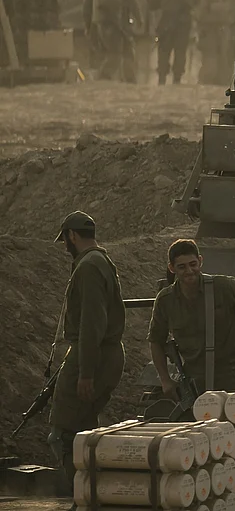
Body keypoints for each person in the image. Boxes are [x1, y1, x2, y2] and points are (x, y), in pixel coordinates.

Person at [49, 211, 126, 497]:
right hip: (103, 354)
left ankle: (82, 497)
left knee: (63, 434)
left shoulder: (90, 265)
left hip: (94, 355)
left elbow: (92, 323)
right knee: (84, 432)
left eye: (66, 239)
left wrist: (85, 372)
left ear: (71, 235)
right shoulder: (99, 260)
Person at [148, 239, 235, 397]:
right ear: (171, 268)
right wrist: (165, 380)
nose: (189, 271)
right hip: (193, 383)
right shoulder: (166, 300)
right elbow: (156, 341)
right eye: (181, 267)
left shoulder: (225, 287)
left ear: (200, 261)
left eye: (193, 264)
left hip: (234, 378)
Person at [146, 0, 200, 84]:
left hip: (167, 18)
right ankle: (177, 79)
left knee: (164, 49)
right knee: (180, 49)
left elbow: (155, 0)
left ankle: (162, 78)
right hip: (185, 18)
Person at [195, 0, 230, 86]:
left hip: (219, 29)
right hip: (208, 29)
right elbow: (201, 12)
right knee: (210, 63)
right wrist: (218, 8)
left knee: (220, 63)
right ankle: (203, 86)